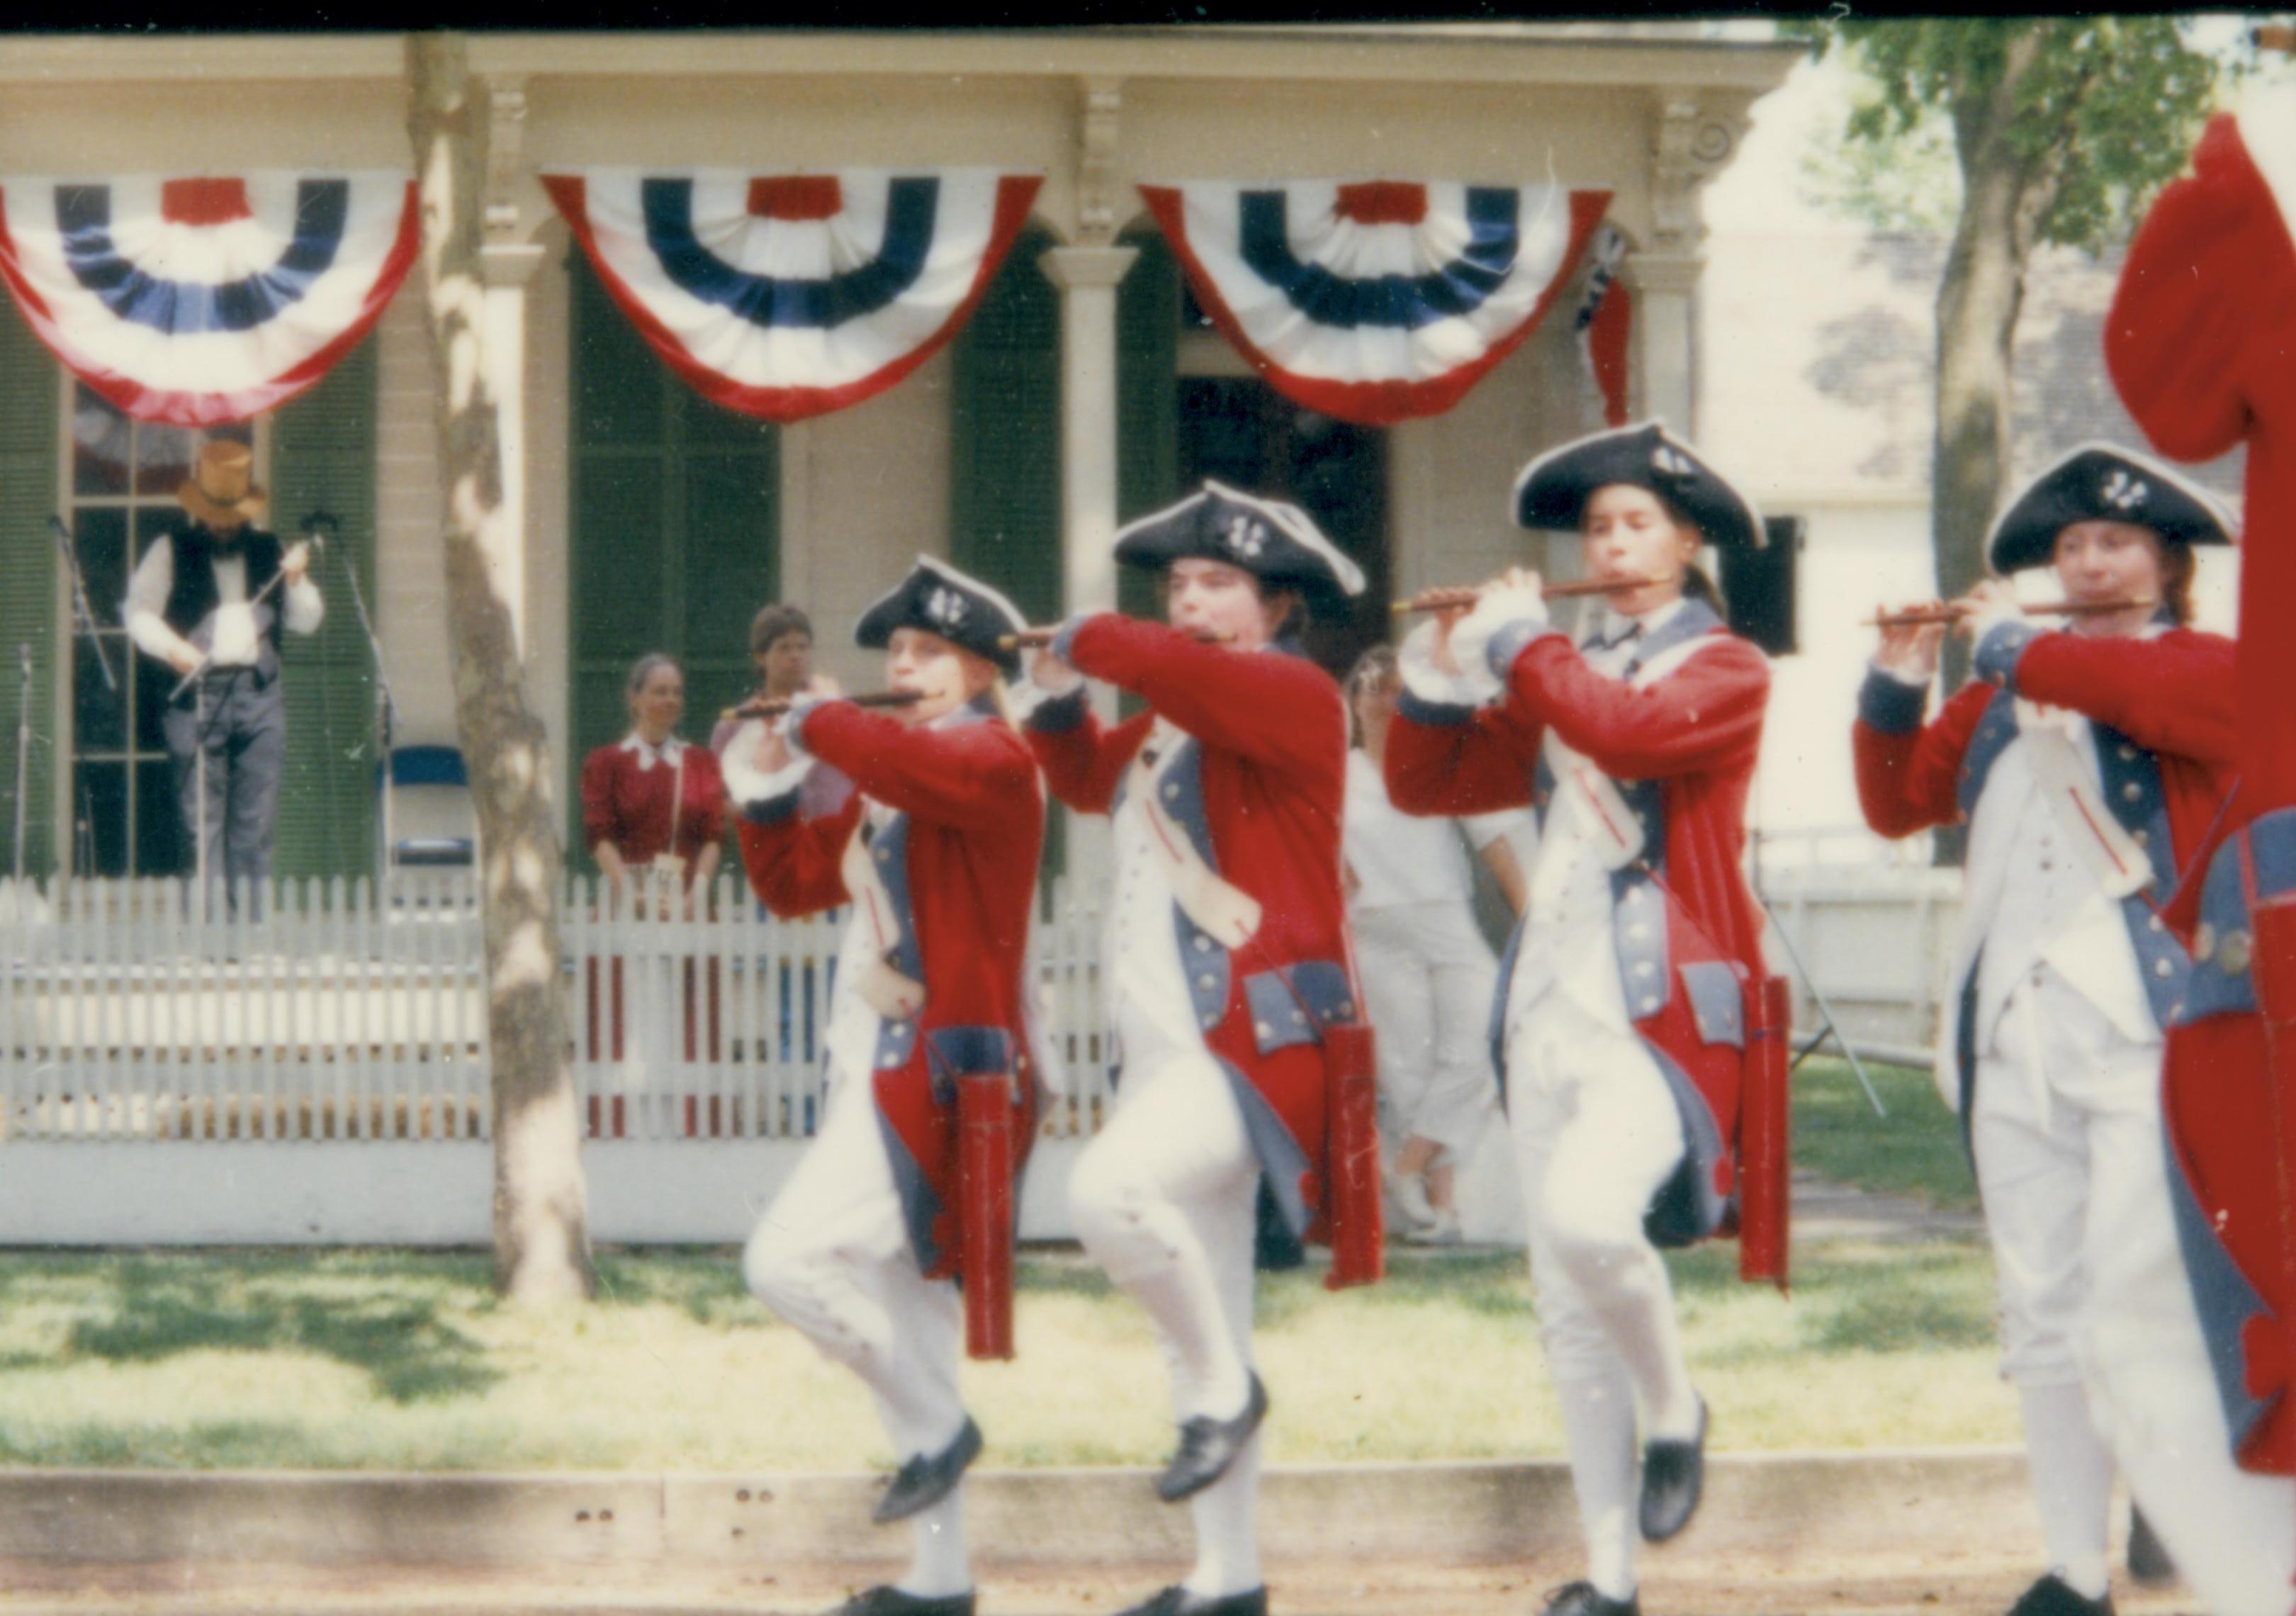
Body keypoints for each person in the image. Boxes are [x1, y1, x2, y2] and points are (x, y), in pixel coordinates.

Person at [1853, 444, 2296, 1616]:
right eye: (2069, 548)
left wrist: (2014, 648)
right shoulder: (2005, 688)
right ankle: (2073, 1569)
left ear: (2166, 563)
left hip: (2152, 1031)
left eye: (2113, 543)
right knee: (2040, 1302)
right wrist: (1897, 681)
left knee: (2144, 1300)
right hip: (2013, 1025)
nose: (2088, 563)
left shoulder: (2213, 664)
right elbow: (1899, 800)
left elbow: (2161, 706)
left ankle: (2225, 1542)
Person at [1384, 422, 1775, 1616]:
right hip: (1549, 1007)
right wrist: (1442, 673)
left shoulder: (1726, 667)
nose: (1609, 545)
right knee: (1565, 1297)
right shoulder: (1571, 666)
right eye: (1597, 528)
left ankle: (1678, 1405)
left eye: (1636, 525)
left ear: (1687, 540)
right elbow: (1430, 784)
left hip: (1661, 1016)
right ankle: (1608, 1578)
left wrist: (1524, 643)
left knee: (1591, 1221)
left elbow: (1630, 735)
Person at [1023, 481, 1370, 1616]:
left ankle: (1229, 1395)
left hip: (1256, 1048)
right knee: (1202, 1308)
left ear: (1275, 607)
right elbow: (1080, 781)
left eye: (1218, 584)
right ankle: (1228, 1581)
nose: (1192, 603)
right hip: (1171, 1053)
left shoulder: (1293, 694)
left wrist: (1095, 632)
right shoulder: (1175, 718)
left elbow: (1180, 672)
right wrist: (1061, 697)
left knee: (1111, 1196)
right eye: (1178, 586)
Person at [727, 556, 1045, 1616]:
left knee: (784, 1260)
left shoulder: (995, 758)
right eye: (896, 656)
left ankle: (938, 1431)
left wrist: (823, 727)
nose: (902, 671)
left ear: (976, 674)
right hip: (877, 1066)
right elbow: (789, 885)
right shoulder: (895, 776)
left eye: (927, 656)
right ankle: (941, 1582)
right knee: (911, 1317)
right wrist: (769, 779)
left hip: (947, 1075)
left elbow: (914, 773)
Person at [1341, 644, 1529, 1244]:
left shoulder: (1432, 763)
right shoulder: (1334, 772)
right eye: (1371, 688)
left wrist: (1530, 913)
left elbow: (1492, 837)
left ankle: (1403, 1169)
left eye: (1396, 689)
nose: (1382, 700)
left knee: (1475, 1047)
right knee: (1407, 1067)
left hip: (1445, 917)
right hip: (1375, 924)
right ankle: (1440, 1207)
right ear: (1353, 701)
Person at [125, 439, 322, 907]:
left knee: (255, 823)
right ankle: (207, 942)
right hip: (196, 696)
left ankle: (249, 938)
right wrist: (173, 648)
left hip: (259, 696)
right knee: (200, 823)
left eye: (230, 516)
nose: (222, 525)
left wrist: (296, 582)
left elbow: (306, 621)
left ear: (245, 513)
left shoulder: (271, 550)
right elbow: (138, 613)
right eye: (214, 515)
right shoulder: (169, 548)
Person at [579, 654, 727, 1130]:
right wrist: (630, 892)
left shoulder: (700, 763)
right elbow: (599, 835)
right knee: (619, 1012)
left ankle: (692, 1123)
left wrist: (694, 896)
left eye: (676, 692)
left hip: (685, 900)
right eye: (659, 691)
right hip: (628, 897)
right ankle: (616, 1123)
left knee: (691, 1017)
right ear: (635, 698)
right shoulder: (607, 763)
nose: (668, 701)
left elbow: (711, 838)